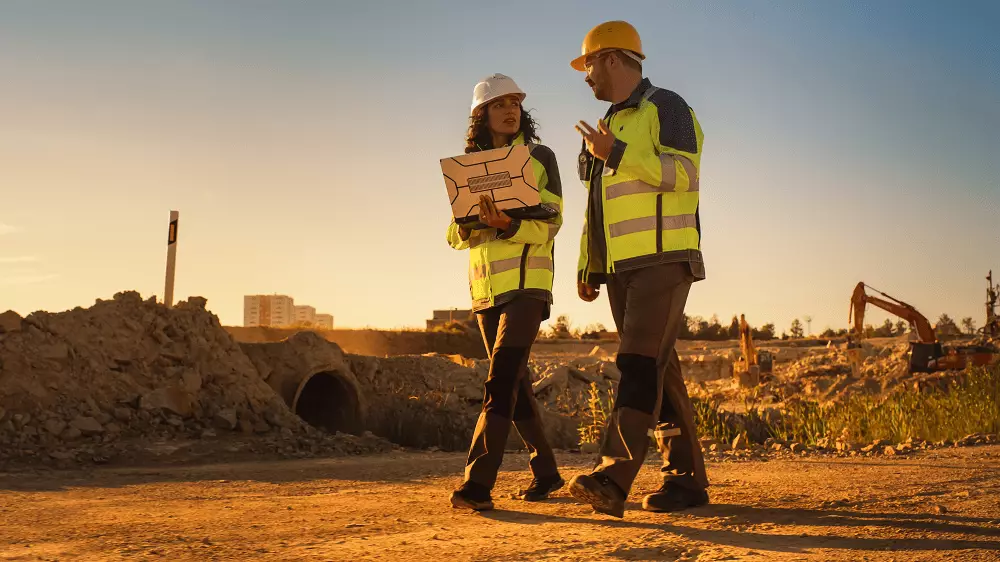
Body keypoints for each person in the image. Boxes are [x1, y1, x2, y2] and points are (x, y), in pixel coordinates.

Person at [566, 21, 710, 518]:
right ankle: (686, 481)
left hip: (664, 259)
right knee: (660, 372)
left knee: (638, 364)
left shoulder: (665, 107)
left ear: (610, 58)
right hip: (621, 268)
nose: (585, 77)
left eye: (587, 65)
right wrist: (589, 266)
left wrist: (618, 155)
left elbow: (685, 176)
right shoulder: (605, 128)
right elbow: (596, 209)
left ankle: (612, 477)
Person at [446, 74, 565, 511]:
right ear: (482, 116)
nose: (510, 110)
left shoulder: (539, 157)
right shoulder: (467, 168)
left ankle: (477, 485)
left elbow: (553, 220)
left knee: (499, 381)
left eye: (515, 102)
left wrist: (508, 225)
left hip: (528, 286)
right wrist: (464, 227)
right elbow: (453, 235)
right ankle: (548, 474)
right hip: (486, 292)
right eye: (500, 105)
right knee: (516, 386)